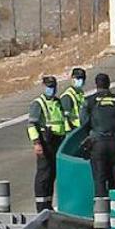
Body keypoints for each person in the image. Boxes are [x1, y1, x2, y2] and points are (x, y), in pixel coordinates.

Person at [80, 73, 115, 197]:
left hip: (98, 144)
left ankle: (102, 211)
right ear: (109, 84)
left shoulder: (89, 101)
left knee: (100, 178)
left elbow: (83, 122)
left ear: (96, 85)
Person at [27, 76, 69, 212]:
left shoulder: (57, 102)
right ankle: (41, 206)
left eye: (53, 86)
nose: (52, 89)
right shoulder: (38, 103)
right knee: (43, 175)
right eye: (49, 87)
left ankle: (48, 204)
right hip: (45, 141)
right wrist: (36, 143)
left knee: (52, 174)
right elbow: (32, 125)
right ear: (44, 87)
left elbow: (63, 121)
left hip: (58, 140)